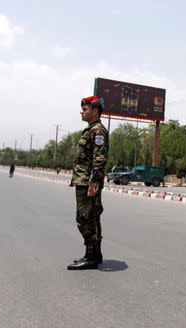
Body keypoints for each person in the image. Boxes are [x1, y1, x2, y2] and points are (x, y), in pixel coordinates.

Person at [67, 96, 109, 270]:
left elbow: (99, 158)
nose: (81, 112)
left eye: (85, 109)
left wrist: (93, 182)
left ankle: (91, 257)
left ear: (95, 111)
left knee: (85, 218)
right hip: (84, 180)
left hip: (88, 181)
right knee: (90, 217)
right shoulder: (91, 129)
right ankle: (93, 255)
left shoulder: (98, 130)